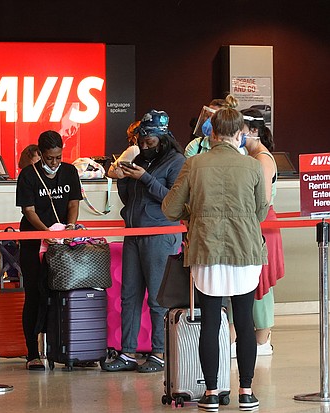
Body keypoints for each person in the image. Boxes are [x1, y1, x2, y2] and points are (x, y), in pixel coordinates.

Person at [162, 107, 269, 412]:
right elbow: (261, 211)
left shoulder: (194, 164)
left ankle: (210, 393)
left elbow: (170, 208)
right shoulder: (251, 166)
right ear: (239, 134)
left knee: (210, 321)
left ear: (211, 133)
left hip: (206, 250)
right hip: (245, 251)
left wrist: (194, 216)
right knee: (245, 322)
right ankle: (246, 392)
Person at [102, 110, 185, 373]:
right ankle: (127, 352)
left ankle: (159, 353)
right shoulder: (139, 159)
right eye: (142, 140)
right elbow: (131, 200)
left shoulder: (177, 161)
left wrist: (145, 178)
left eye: (150, 142)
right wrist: (122, 179)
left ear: (163, 138)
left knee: (157, 299)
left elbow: (173, 200)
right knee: (129, 295)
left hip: (160, 234)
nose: (145, 146)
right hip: (134, 233)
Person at [16, 130, 82, 370]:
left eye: (58, 157)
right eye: (49, 158)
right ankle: (32, 352)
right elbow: (29, 211)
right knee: (35, 294)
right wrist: (46, 233)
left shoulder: (70, 172)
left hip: (62, 242)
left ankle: (62, 348)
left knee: (62, 293)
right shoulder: (28, 175)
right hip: (35, 241)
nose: (54, 163)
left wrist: (70, 227)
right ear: (40, 154)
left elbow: (73, 202)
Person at [229, 107, 284, 358]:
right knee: (247, 282)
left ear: (253, 131)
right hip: (250, 223)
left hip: (261, 225)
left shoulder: (262, 159)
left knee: (261, 284)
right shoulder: (249, 157)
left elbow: (259, 201)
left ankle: (262, 340)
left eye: (240, 130)